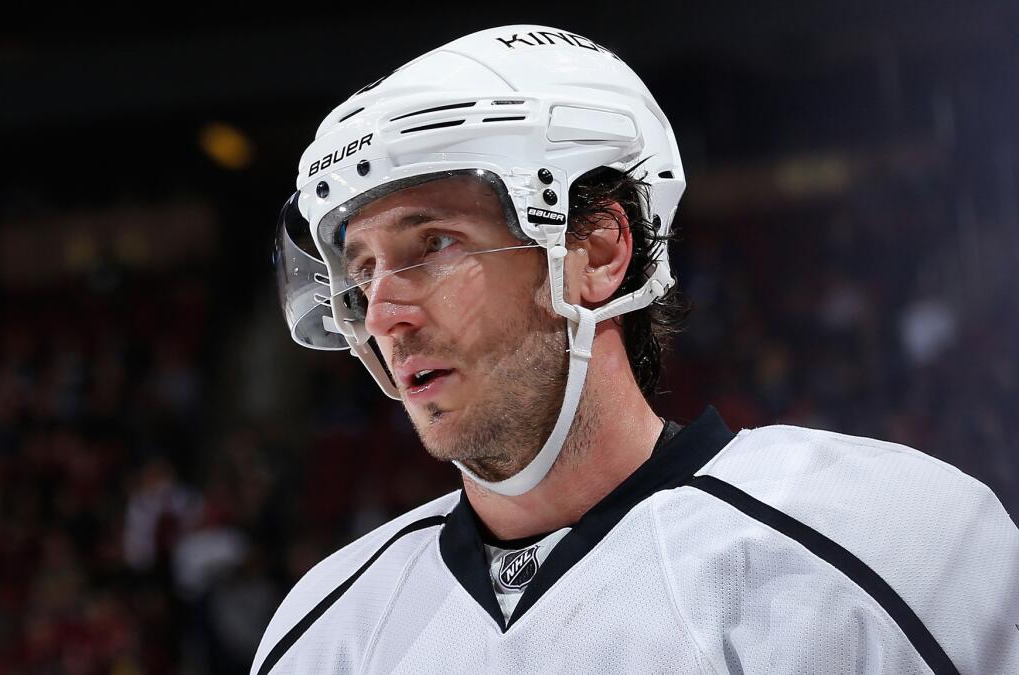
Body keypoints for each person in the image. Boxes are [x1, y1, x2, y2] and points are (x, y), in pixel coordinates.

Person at [260, 24, 1019, 674]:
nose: (384, 312)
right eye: (361, 272)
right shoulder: (324, 636)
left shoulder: (882, 543)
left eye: (432, 243)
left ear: (596, 252)